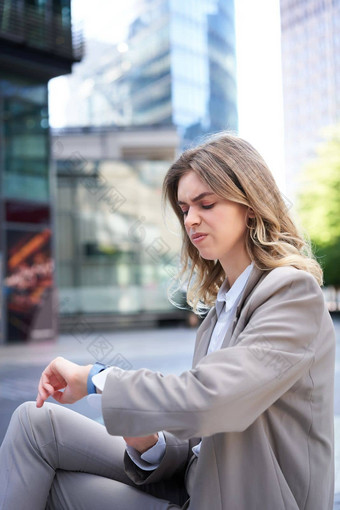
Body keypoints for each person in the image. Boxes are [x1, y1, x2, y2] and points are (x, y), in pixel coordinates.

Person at [0, 133, 335, 510]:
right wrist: (149, 442)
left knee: (49, 485)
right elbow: (201, 446)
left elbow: (210, 400)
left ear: (251, 207)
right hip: (200, 486)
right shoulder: (218, 314)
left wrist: (98, 379)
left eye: (205, 204)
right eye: (184, 208)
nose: (191, 220)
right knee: (34, 424)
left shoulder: (292, 293)